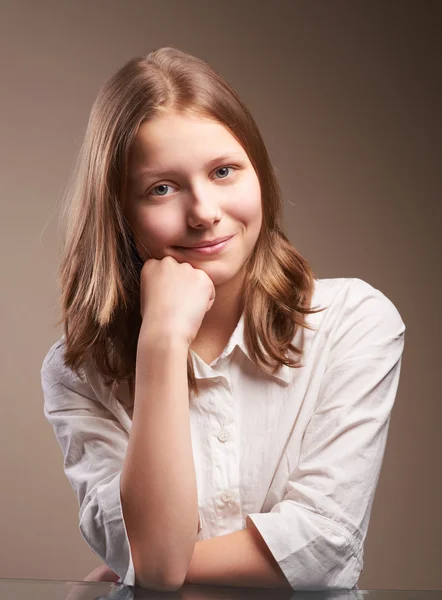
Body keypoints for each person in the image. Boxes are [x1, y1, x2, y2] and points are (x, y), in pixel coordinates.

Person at [41, 46, 406, 592]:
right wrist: (162, 341)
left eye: (224, 171)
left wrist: (145, 562)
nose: (204, 211)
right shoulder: (77, 371)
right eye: (161, 188)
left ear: (257, 171)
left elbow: (325, 542)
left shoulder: (353, 322)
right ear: (119, 212)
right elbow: (159, 564)